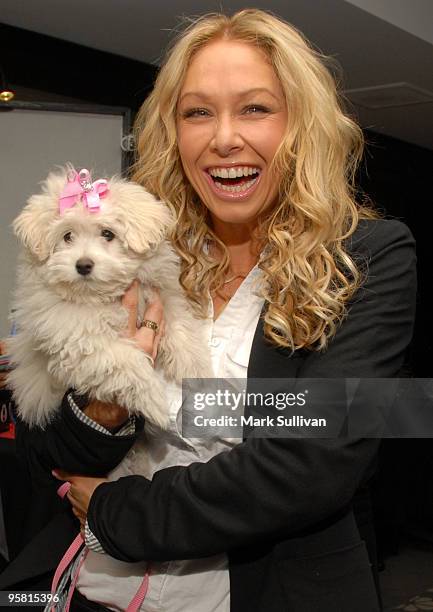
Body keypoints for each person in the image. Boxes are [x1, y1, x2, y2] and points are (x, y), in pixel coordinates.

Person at [0, 9, 416, 612]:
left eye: (255, 108)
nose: (224, 137)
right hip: (98, 593)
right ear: (173, 132)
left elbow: (312, 465)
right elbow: (44, 455)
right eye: (198, 112)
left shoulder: (374, 256)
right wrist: (106, 403)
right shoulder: (139, 252)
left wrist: (121, 511)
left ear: (301, 125)